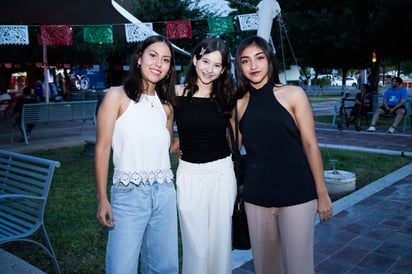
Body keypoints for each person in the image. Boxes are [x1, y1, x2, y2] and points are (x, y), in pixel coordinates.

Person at [232, 35, 333, 274]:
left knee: (299, 267)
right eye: (245, 61)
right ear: (240, 67)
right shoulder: (237, 104)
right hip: (257, 197)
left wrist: (322, 194)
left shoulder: (293, 94)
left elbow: (310, 144)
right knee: (266, 269)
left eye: (259, 58)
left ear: (269, 60)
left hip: (298, 194)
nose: (253, 66)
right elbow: (230, 148)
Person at [94, 35, 179, 274]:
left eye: (165, 60)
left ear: (169, 67)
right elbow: (102, 148)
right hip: (128, 195)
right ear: (139, 58)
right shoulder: (116, 97)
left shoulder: (167, 106)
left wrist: (189, 144)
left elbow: (167, 145)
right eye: (153, 55)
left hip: (164, 192)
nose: (158, 64)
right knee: (121, 268)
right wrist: (102, 199)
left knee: (164, 267)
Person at [173, 37, 237, 274]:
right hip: (189, 174)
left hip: (221, 172)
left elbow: (236, 136)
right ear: (195, 59)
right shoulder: (175, 93)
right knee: (196, 248)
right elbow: (158, 128)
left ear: (223, 70)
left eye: (217, 65)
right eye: (205, 61)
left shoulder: (228, 96)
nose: (209, 69)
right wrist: (176, 144)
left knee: (220, 245)